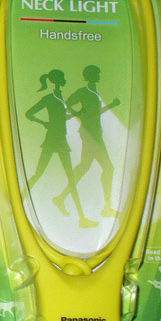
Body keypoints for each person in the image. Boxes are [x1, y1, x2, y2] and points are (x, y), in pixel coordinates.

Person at [25, 69, 96, 228]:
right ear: (57, 80)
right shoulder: (49, 98)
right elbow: (29, 113)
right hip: (52, 139)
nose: (65, 79)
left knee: (70, 178)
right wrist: (44, 123)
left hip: (61, 140)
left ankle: (82, 219)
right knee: (39, 173)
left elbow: (61, 117)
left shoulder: (60, 97)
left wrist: (77, 113)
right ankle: (16, 202)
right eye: (63, 77)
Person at [54, 64, 121, 218]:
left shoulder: (94, 92)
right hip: (90, 135)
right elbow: (66, 104)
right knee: (107, 168)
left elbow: (95, 113)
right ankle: (107, 208)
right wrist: (78, 114)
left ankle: (61, 198)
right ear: (90, 76)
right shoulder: (83, 92)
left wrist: (112, 105)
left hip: (95, 134)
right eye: (96, 74)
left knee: (84, 167)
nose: (99, 76)